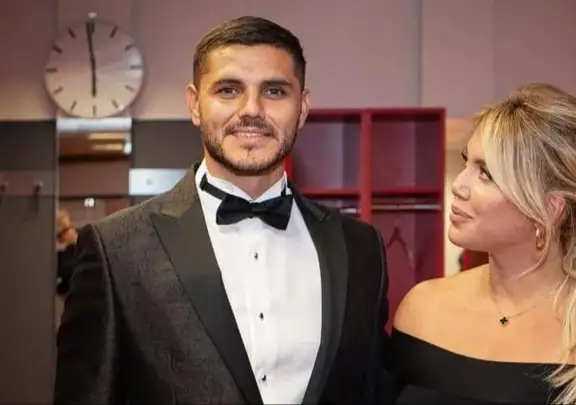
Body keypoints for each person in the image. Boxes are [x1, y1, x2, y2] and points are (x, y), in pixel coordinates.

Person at [54, 16, 390, 405]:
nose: (252, 110)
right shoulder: (115, 248)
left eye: (275, 91)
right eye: (228, 90)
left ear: (302, 107)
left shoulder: (359, 247)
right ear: (195, 104)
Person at [390, 83, 576, 404]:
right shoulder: (421, 309)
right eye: (466, 163)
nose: (459, 185)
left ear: (549, 208)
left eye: (486, 173)